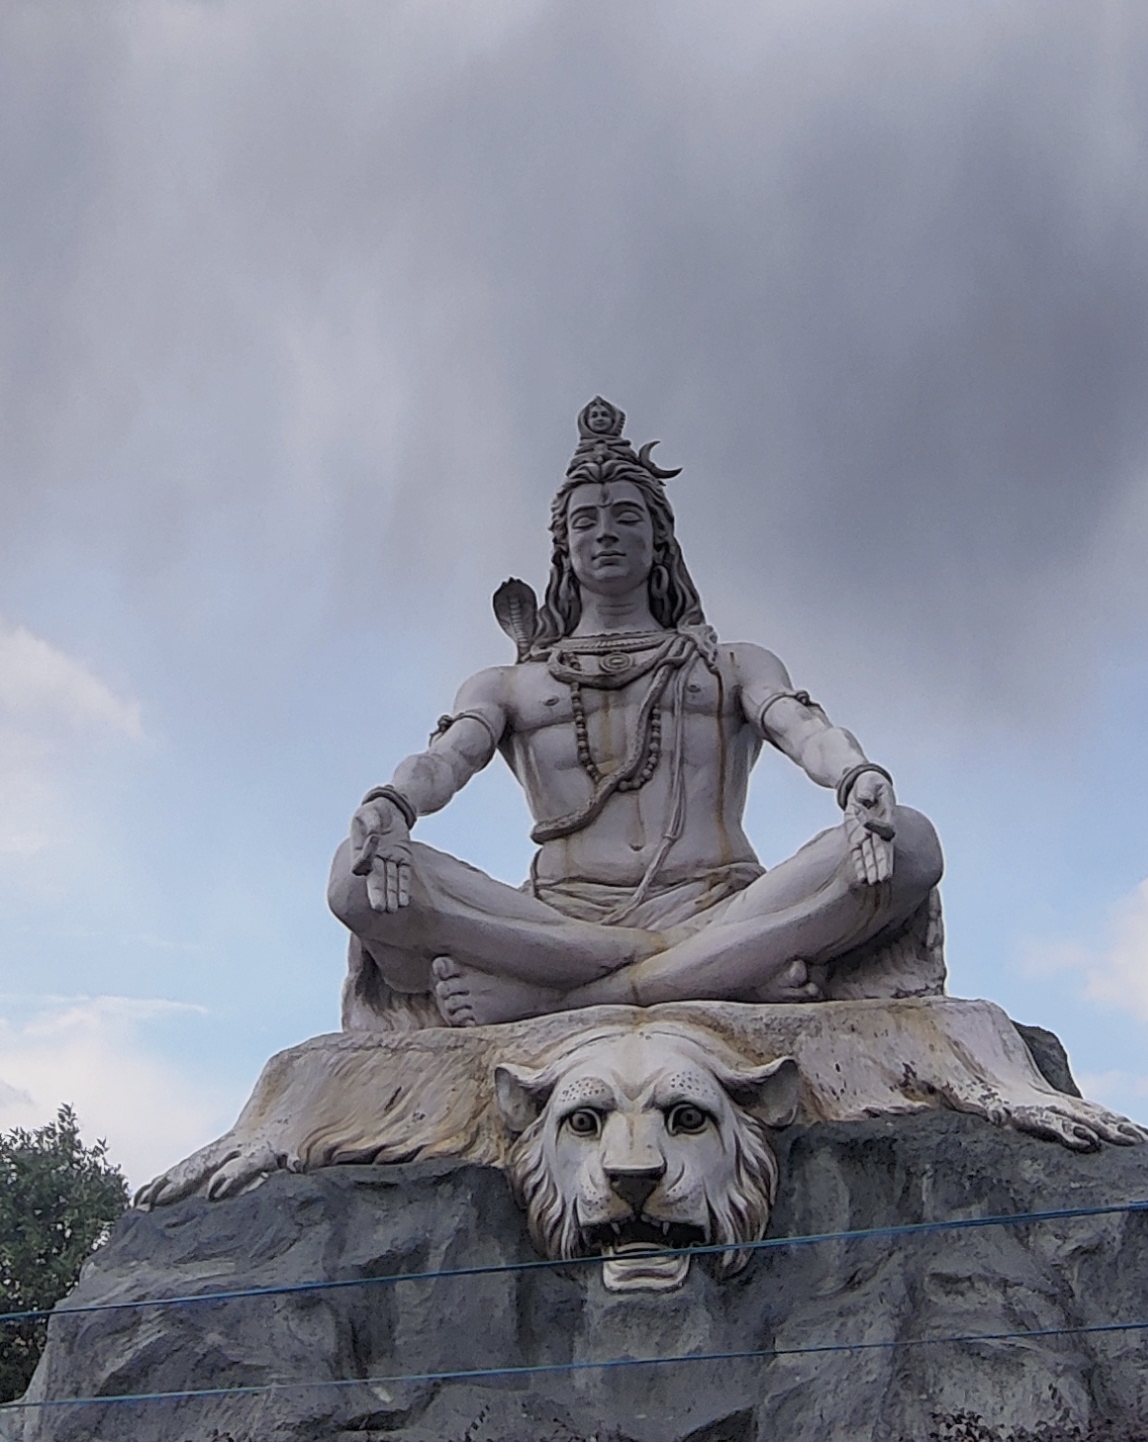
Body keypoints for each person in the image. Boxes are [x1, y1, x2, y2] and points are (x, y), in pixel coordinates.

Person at [329, 400, 944, 1027]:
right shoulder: (509, 684)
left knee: (911, 843)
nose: (605, 533)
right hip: (559, 920)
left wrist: (858, 778)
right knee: (354, 879)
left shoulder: (731, 664)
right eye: (586, 521)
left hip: (718, 906)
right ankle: (716, 973)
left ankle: (558, 998)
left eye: (626, 517)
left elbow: (805, 730)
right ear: (564, 546)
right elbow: (447, 760)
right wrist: (393, 807)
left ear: (658, 539)